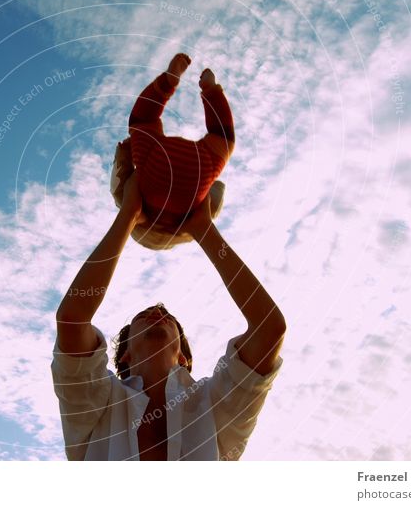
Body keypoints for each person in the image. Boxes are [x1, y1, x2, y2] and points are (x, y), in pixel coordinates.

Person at [52, 172, 286, 460]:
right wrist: (128, 215)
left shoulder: (212, 405)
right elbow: (72, 319)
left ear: (184, 360)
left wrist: (203, 229)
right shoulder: (97, 404)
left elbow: (269, 328)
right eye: (144, 315)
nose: (156, 312)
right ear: (125, 355)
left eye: (167, 317)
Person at [109, 53, 235, 250]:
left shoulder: (188, 232)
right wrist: (124, 151)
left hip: (196, 179)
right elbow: (118, 180)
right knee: (141, 122)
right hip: (152, 166)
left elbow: (215, 203)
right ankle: (167, 83)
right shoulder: (127, 205)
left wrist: (213, 185)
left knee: (223, 139)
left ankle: (212, 91)